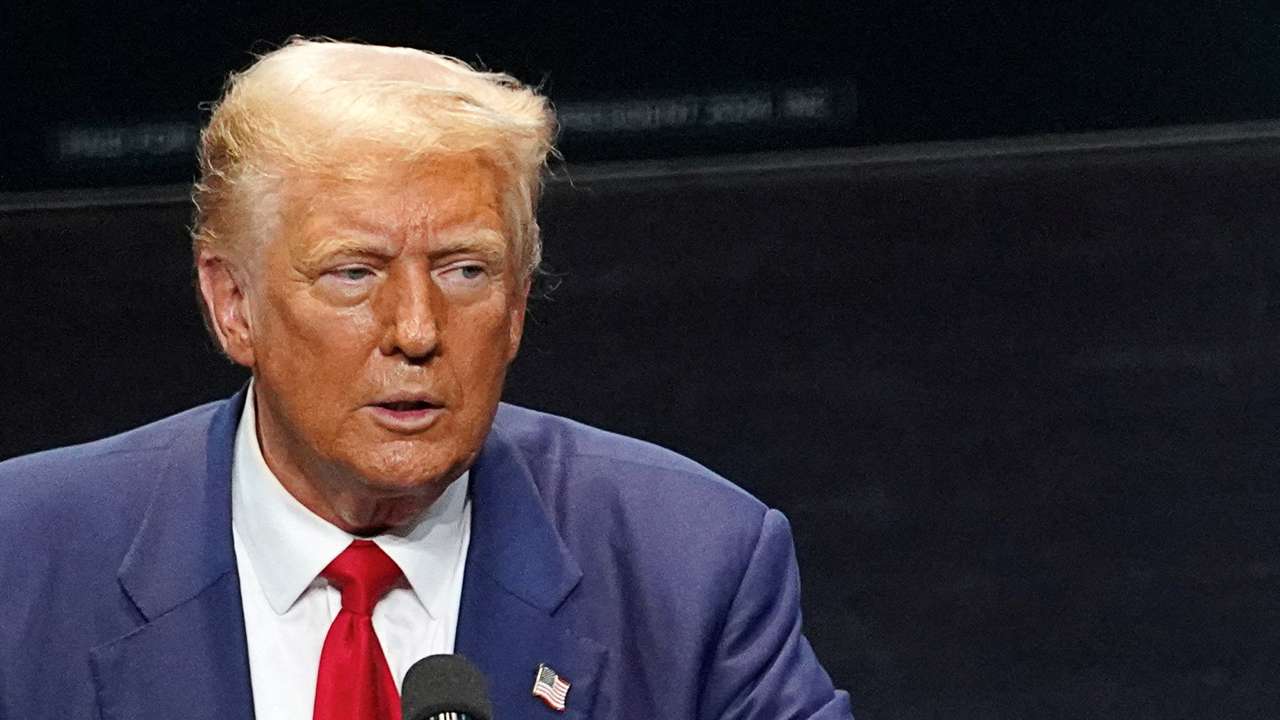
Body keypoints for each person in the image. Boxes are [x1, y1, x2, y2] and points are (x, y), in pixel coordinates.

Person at [0, 39, 853, 719]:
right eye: (353, 273)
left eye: (466, 271)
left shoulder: (689, 565)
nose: (415, 330)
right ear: (233, 305)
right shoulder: (25, 562)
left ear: (518, 304)